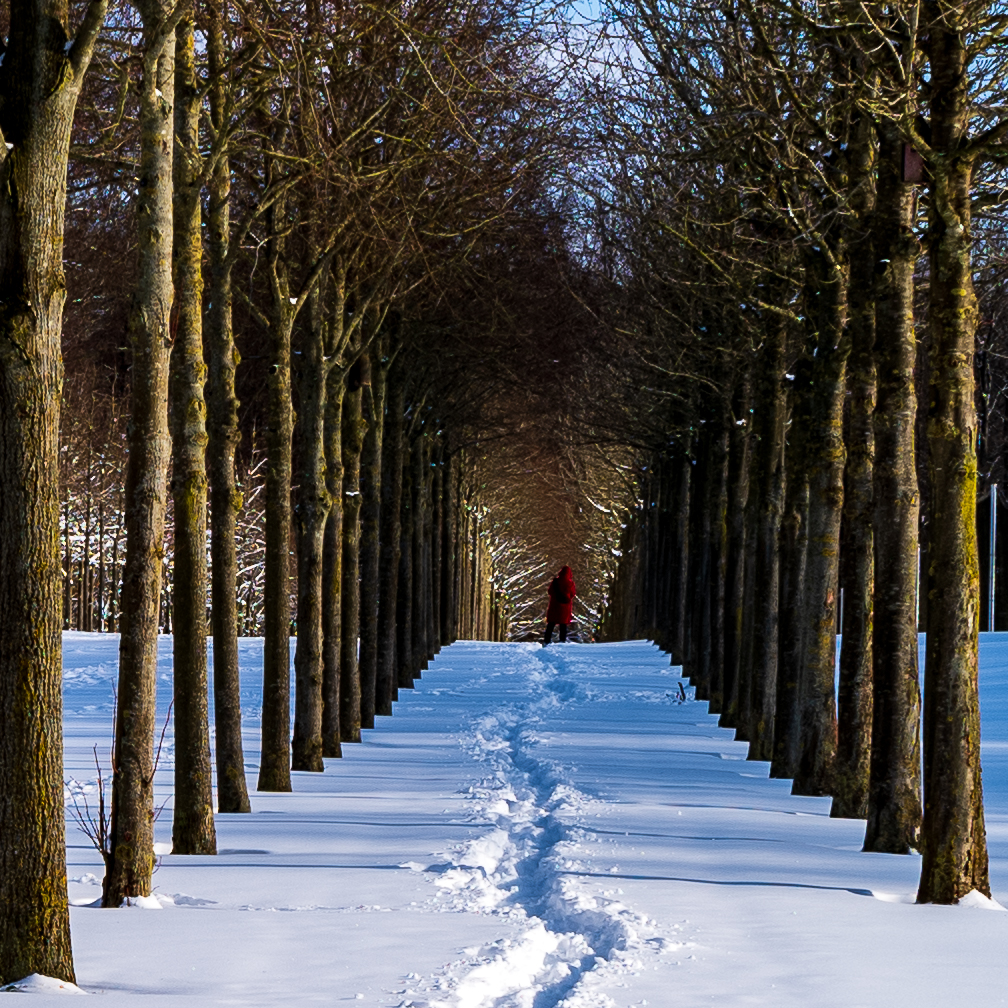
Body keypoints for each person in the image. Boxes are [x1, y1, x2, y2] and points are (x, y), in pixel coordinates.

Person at [543, 565, 576, 645]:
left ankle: (547, 640)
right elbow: (573, 593)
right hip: (565, 607)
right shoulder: (570, 583)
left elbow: (550, 591)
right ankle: (562, 641)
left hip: (555, 605)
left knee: (551, 624)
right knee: (563, 625)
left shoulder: (555, 582)